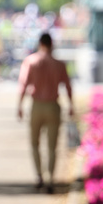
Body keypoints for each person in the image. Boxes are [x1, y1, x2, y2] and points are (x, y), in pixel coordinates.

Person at [17, 32, 74, 194]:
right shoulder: (59, 64)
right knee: (52, 146)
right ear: (51, 44)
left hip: (36, 105)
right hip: (53, 106)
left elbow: (23, 84)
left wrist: (20, 105)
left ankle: (39, 175)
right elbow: (68, 86)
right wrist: (71, 105)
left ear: (40, 43)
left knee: (34, 143)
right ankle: (50, 179)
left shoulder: (31, 61)